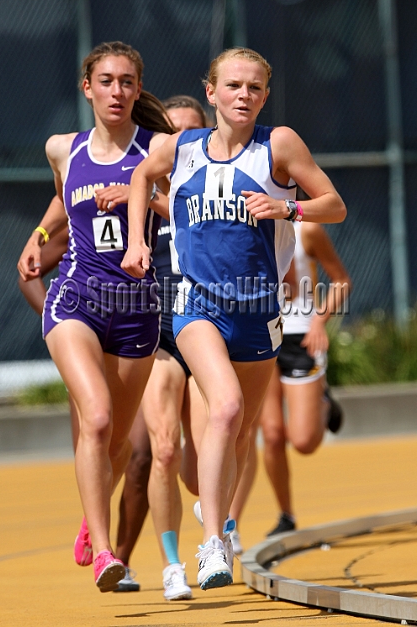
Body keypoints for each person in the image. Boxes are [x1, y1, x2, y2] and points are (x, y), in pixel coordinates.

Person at [122, 46, 347, 591]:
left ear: (265, 95)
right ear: (211, 92)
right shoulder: (180, 148)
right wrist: (136, 241)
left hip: (259, 310)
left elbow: (333, 205)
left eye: (254, 88)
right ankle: (214, 543)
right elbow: (140, 178)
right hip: (198, 307)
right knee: (224, 407)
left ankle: (214, 509)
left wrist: (287, 208)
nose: (243, 95)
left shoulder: (280, 145)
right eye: (233, 86)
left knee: (242, 428)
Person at [17, 41, 173, 593]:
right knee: (99, 418)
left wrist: (138, 194)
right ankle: (107, 554)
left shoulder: (161, 149)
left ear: (137, 89)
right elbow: (63, 198)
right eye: (106, 81)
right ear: (87, 88)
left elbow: (186, 210)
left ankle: (92, 513)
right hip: (76, 298)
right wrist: (39, 236)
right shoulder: (63, 147)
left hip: (135, 308)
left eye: (127, 82)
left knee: (118, 448)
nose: (117, 91)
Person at [113, 94, 208, 600]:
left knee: (199, 472)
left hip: (212, 328)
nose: (181, 144)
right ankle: (172, 565)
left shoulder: (213, 190)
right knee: (162, 448)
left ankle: (215, 517)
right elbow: (88, 206)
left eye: (192, 134)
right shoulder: (140, 187)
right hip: (163, 333)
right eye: (172, 135)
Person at [227, 218, 352, 554]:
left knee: (304, 441)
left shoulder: (307, 230)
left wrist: (320, 322)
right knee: (269, 433)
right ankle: (285, 514)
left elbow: (341, 281)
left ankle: (322, 401)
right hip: (263, 333)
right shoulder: (245, 225)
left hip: (300, 336)